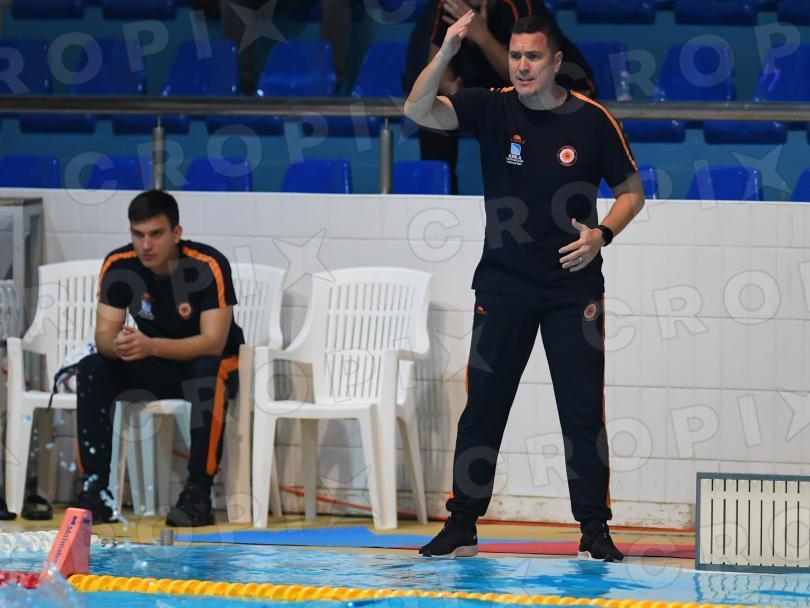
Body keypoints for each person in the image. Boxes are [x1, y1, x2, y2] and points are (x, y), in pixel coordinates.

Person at [404, 12, 645, 560]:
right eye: (515, 55)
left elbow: (632, 191)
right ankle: (462, 522)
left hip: (572, 288)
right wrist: (446, 52)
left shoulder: (592, 119)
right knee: (484, 406)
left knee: (581, 411)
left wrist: (603, 235)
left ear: (556, 62)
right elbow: (416, 108)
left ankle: (594, 529)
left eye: (533, 56)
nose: (522, 66)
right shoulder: (490, 107)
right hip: (503, 284)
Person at [71, 190, 245, 527]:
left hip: (212, 363)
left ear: (176, 233)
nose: (146, 245)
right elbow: (103, 337)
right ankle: (95, 490)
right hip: (159, 364)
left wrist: (151, 346)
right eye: (138, 235)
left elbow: (213, 343)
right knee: (92, 367)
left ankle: (198, 493)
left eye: (156, 234)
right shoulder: (119, 265)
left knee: (207, 373)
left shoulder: (207, 265)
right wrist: (120, 345)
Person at [403, 0, 595, 194]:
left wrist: (482, 36)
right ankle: (439, 197)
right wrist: (448, 83)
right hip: (488, 90)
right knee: (434, 114)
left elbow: (525, 72)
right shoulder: (450, 4)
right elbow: (422, 98)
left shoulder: (520, 6)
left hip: (548, 86)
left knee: (528, 110)